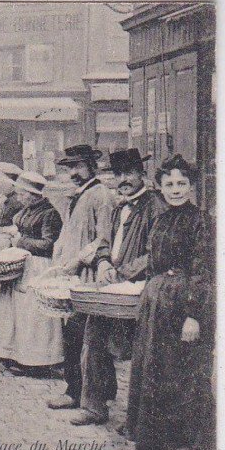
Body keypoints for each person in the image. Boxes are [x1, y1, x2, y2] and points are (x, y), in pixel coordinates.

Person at [126, 155, 215, 450]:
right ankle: (156, 449)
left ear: (191, 186)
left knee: (182, 377)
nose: (175, 190)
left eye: (181, 184)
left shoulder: (200, 220)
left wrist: (194, 315)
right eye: (169, 184)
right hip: (157, 306)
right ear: (160, 187)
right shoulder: (161, 218)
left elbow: (203, 270)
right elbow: (153, 262)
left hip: (183, 306)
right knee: (154, 373)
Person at [70, 149, 166, 427]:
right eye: (118, 174)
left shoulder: (155, 207)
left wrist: (122, 272)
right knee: (93, 339)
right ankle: (94, 407)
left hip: (139, 290)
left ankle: (138, 418)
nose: (123, 179)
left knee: (142, 355)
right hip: (112, 287)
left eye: (129, 173)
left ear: (142, 175)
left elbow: (155, 252)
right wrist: (102, 263)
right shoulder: (117, 206)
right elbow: (104, 241)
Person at [46, 145, 115, 411]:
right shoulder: (79, 194)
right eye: (69, 168)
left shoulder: (101, 195)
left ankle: (78, 392)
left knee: (81, 335)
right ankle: (91, 390)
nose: (73, 173)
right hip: (73, 274)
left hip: (89, 275)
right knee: (77, 334)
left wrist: (76, 262)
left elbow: (102, 239)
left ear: (91, 166)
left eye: (77, 167)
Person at [0, 171, 64, 371]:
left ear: (33, 194)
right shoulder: (27, 210)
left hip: (38, 267)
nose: (19, 197)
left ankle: (37, 360)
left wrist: (19, 241)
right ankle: (13, 352)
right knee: (15, 312)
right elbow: (18, 227)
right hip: (22, 264)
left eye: (22, 194)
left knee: (32, 314)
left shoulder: (49, 213)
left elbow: (49, 244)